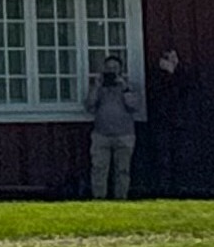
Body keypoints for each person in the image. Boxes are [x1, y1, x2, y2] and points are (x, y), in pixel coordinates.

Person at [83, 54, 143, 200]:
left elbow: (135, 106)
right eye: (108, 68)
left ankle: (121, 198)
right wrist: (96, 87)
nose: (111, 71)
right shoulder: (99, 87)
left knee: (122, 169)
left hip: (124, 135)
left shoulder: (130, 86)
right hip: (101, 134)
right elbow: (89, 106)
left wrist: (125, 89)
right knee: (98, 169)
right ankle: (99, 198)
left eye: (114, 68)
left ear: (120, 69)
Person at [143, 49, 202, 197]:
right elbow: (157, 96)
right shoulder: (156, 77)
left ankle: (181, 188)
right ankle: (164, 189)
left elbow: (184, 93)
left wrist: (173, 74)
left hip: (180, 123)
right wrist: (167, 74)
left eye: (174, 57)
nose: (173, 60)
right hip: (162, 124)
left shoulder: (184, 75)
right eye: (169, 57)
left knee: (181, 157)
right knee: (163, 158)